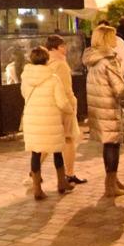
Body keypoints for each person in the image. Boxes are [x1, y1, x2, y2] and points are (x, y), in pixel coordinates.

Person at [21, 43, 78, 198]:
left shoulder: (26, 78)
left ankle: (37, 189)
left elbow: (25, 94)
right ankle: (61, 182)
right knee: (57, 151)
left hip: (32, 119)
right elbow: (61, 102)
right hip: (51, 119)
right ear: (46, 59)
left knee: (35, 153)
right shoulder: (53, 78)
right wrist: (70, 110)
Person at [84, 25, 124, 197]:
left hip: (99, 108)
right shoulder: (109, 60)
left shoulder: (93, 60)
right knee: (113, 146)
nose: (115, 39)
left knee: (108, 145)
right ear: (107, 38)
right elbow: (119, 88)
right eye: (112, 36)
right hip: (111, 108)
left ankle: (113, 179)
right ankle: (110, 185)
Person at [44, 36, 85, 186]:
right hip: (63, 105)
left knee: (49, 141)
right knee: (69, 139)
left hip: (51, 105)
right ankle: (69, 173)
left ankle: (33, 171)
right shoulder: (60, 64)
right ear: (55, 48)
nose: (65, 49)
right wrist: (71, 104)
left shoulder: (46, 62)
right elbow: (66, 89)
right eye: (62, 46)